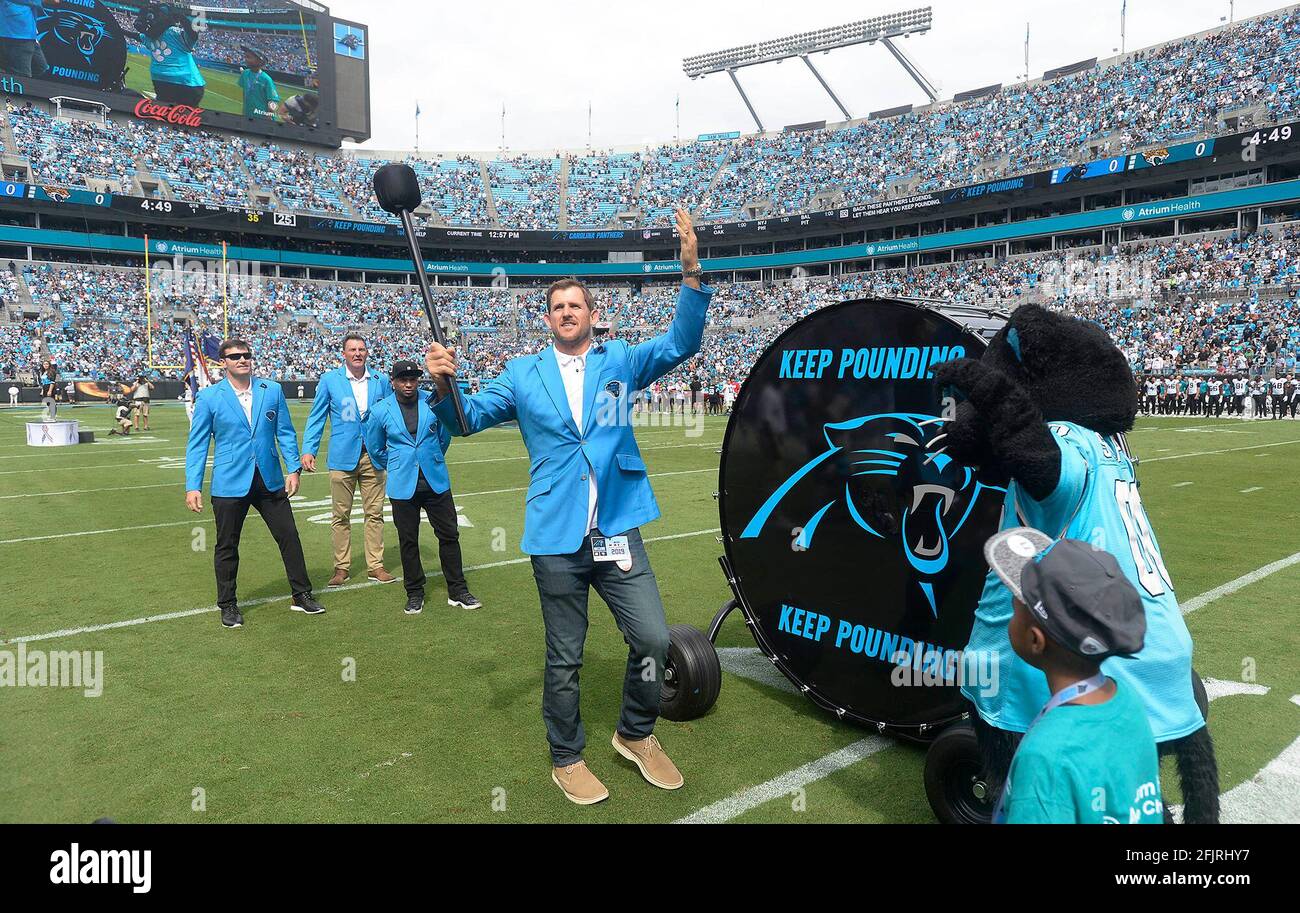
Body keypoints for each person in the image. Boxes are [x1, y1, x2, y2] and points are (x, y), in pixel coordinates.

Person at [424, 208, 710, 806]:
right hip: (556, 535)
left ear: (592, 314)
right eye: (556, 307)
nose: (566, 313)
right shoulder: (523, 374)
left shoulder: (621, 362)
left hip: (618, 530)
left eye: (575, 305)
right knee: (565, 657)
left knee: (655, 640)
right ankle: (567, 756)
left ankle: (636, 733)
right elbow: (467, 420)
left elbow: (683, 342)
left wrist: (690, 274)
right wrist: (444, 386)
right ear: (547, 319)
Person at [984, 527, 1163, 825]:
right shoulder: (1127, 702)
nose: (1012, 614)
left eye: (1015, 608)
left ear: (1035, 640)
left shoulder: (1045, 758)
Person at [185, 338, 324, 629]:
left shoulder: (271, 390)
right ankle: (228, 604)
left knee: (289, 536)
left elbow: (284, 432)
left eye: (246, 355)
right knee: (227, 545)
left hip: (270, 478)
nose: (242, 360)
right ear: (223, 362)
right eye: (235, 356)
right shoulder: (210, 397)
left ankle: (301, 594)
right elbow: (197, 445)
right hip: (229, 481)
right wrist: (193, 485)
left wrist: (293, 469)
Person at [361, 360, 479, 615]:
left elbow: (444, 435)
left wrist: (431, 457)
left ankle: (457, 590)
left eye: (413, 379)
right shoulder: (381, 410)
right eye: (403, 379)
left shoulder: (432, 401)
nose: (408, 384)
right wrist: (396, 463)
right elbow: (375, 447)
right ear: (393, 381)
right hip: (403, 483)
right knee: (408, 541)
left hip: (435, 480)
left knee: (449, 535)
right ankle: (414, 593)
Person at [301, 334, 396, 588]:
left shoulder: (381, 380)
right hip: (342, 456)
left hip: (374, 456)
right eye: (352, 349)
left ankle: (375, 565)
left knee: (374, 513)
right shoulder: (330, 380)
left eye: (361, 349)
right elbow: (317, 417)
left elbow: (391, 414)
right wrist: (308, 449)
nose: (357, 353)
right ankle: (341, 567)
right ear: (343, 353)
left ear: (367, 352)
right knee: (340, 515)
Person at [137, 4, 205, 106]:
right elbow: (192, 35)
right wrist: (182, 18)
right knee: (182, 115)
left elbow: (137, 36)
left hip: (172, 81)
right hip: (184, 82)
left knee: (166, 112)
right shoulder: (172, 33)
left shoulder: (170, 33)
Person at [0, 0, 52, 78]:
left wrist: (35, 34)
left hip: (28, 35)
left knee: (41, 67)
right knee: (22, 77)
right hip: (15, 36)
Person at [238, 46, 280, 119]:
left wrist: (270, 115)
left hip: (262, 118)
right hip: (248, 115)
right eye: (245, 57)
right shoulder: (245, 73)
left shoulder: (266, 79)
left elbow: (273, 100)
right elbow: (245, 92)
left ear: (259, 61)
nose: (246, 59)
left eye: (249, 57)